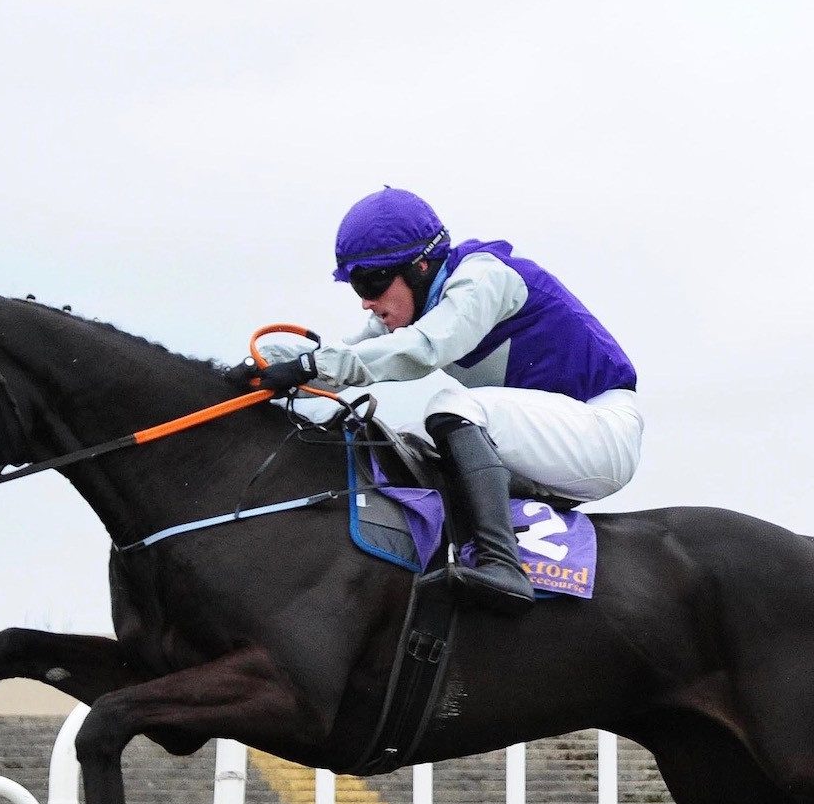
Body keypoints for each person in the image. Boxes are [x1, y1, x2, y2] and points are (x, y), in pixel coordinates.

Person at [251, 187, 642, 613]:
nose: (366, 301)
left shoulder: (483, 278)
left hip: (601, 432)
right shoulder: (419, 306)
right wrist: (259, 369)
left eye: (371, 282)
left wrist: (311, 365)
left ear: (420, 266)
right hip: (548, 443)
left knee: (450, 406)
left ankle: (502, 565)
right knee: (400, 440)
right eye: (356, 286)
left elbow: (423, 349)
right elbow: (342, 359)